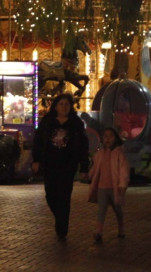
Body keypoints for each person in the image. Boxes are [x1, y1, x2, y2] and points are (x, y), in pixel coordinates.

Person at [32, 93, 89, 241]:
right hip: (50, 163)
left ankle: (62, 226)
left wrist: (84, 167)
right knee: (50, 194)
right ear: (56, 106)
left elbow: (83, 145)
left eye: (67, 105)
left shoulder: (75, 123)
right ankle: (60, 216)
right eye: (61, 104)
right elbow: (38, 141)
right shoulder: (47, 122)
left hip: (68, 164)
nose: (64, 107)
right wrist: (36, 159)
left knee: (64, 195)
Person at [87, 127, 129, 243]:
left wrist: (122, 183)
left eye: (110, 136)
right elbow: (95, 168)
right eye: (105, 136)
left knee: (117, 209)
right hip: (102, 186)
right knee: (101, 209)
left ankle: (121, 227)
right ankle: (99, 231)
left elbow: (123, 170)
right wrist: (89, 176)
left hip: (114, 187)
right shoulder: (99, 154)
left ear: (115, 138)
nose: (108, 139)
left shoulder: (119, 154)